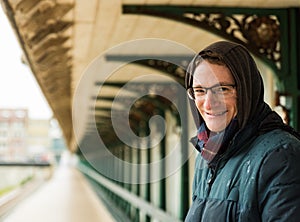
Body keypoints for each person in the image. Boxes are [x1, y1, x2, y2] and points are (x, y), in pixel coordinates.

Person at [184, 41, 300, 221]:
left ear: (247, 91)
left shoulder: (281, 155)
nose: (208, 103)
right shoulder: (207, 153)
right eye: (199, 91)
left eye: (222, 89)